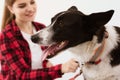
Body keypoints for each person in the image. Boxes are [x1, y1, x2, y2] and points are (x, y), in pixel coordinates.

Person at [0, 0, 79, 80]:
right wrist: (61, 68)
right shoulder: (7, 36)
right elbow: (22, 75)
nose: (30, 9)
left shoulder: (40, 28)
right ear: (11, 9)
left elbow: (41, 58)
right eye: (22, 6)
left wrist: (47, 64)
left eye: (32, 2)